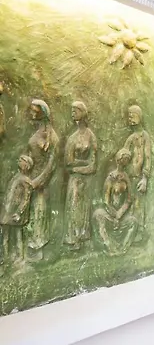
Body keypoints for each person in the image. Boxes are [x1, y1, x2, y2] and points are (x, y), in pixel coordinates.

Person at [25, 99, 59, 261]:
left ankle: (38, 247)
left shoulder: (52, 137)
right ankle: (30, 245)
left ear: (43, 113)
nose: (31, 113)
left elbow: (51, 166)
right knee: (31, 213)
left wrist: (38, 181)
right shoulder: (36, 132)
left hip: (41, 183)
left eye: (35, 111)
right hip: (30, 178)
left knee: (39, 212)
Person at [64, 101, 98, 249]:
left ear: (83, 113)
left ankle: (83, 238)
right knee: (74, 207)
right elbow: (68, 163)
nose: (73, 113)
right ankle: (73, 239)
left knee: (84, 208)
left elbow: (93, 166)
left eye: (76, 111)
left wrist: (78, 167)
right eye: (72, 111)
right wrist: (83, 164)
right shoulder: (72, 138)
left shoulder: (91, 136)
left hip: (86, 180)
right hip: (75, 180)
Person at [93, 148, 137, 255]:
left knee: (133, 221)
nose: (126, 161)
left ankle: (123, 248)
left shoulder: (126, 178)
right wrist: (114, 214)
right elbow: (106, 201)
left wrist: (119, 214)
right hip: (109, 214)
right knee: (98, 215)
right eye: (124, 158)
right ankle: (109, 247)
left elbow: (129, 199)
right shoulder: (111, 178)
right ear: (119, 159)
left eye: (128, 159)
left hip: (121, 215)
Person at [124, 105, 150, 242]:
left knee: (139, 205)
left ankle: (139, 231)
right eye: (129, 116)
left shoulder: (144, 136)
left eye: (132, 115)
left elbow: (147, 157)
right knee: (129, 203)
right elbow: (124, 155)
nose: (130, 118)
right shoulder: (130, 138)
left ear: (139, 116)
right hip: (129, 177)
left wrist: (145, 178)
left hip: (139, 177)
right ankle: (130, 231)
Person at [0, 155, 34, 263]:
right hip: (7, 210)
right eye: (19, 160)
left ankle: (20, 257)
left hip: (15, 212)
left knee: (18, 234)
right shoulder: (15, 177)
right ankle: (5, 256)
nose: (19, 161)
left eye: (22, 161)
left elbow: (26, 198)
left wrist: (19, 212)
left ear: (27, 165)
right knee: (5, 234)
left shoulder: (26, 180)